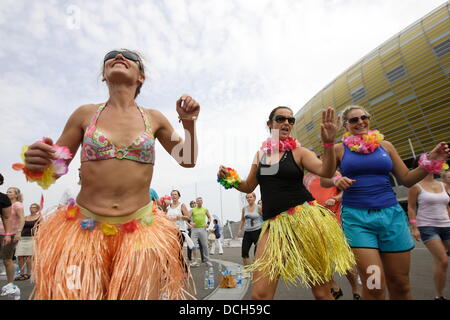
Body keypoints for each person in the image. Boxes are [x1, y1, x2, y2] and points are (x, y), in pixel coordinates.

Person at [23, 49, 200, 299]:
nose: (118, 57)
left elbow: (187, 159)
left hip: (140, 233)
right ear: (104, 76)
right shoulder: (84, 114)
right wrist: (37, 164)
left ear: (141, 77)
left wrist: (190, 123)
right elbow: (53, 171)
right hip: (84, 230)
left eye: (128, 56)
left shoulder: (154, 118)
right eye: (111, 56)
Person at [218, 106, 355, 300]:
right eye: (281, 118)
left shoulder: (299, 152)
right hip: (273, 226)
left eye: (291, 120)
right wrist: (229, 178)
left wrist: (328, 143)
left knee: (322, 293)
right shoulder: (261, 156)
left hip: (304, 220)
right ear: (269, 124)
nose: (286, 123)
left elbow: (326, 171)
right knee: (260, 296)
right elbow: (248, 186)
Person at [324, 105, 449, 300]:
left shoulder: (386, 146)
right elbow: (325, 177)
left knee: (400, 284)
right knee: (374, 285)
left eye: (364, 117)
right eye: (354, 120)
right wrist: (335, 178)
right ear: (345, 125)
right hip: (358, 222)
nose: (360, 122)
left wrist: (432, 160)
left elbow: (407, 178)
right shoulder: (339, 149)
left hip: (391, 218)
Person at [304, 155, 361, 300]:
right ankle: (334, 286)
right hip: (314, 222)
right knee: (323, 258)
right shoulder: (306, 178)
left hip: (334, 220)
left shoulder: (334, 174)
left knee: (344, 260)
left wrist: (335, 198)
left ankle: (355, 288)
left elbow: (345, 191)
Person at [408, 172, 450, 300]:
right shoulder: (416, 186)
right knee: (443, 260)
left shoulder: (443, 185)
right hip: (427, 227)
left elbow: (447, 206)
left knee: (442, 261)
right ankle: (439, 296)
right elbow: (411, 207)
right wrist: (414, 227)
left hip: (446, 225)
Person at [0, 187, 25, 298]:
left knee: (7, 259)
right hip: (1, 232)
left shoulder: (17, 205)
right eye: (7, 191)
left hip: (10, 234)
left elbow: (22, 218)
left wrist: (18, 232)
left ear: (16, 195)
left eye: (10, 192)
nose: (7, 192)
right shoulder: (4, 203)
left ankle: (11, 285)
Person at [237, 192, 262, 277]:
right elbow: (242, 220)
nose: (249, 199)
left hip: (257, 231)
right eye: (247, 197)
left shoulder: (259, 208)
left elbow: (265, 218)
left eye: (250, 197)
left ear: (254, 198)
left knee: (257, 253)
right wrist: (240, 229)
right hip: (247, 232)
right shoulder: (244, 208)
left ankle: (256, 271)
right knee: (244, 252)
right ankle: (247, 271)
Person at [15, 203, 42, 281]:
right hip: (22, 238)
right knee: (19, 255)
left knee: (28, 257)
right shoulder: (25, 217)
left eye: (33, 207)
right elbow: (19, 225)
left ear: (37, 209)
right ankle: (21, 274)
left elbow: (42, 227)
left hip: (32, 238)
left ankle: (28, 273)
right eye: (30, 207)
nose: (31, 208)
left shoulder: (39, 217)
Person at [188, 197, 212, 267]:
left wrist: (208, 224)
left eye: (201, 201)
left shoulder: (205, 209)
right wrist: (190, 222)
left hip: (203, 229)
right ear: (196, 202)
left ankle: (207, 261)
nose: (199, 202)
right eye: (198, 201)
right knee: (193, 245)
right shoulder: (192, 210)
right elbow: (187, 218)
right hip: (194, 229)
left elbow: (209, 217)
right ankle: (196, 261)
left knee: (205, 245)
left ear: (202, 202)